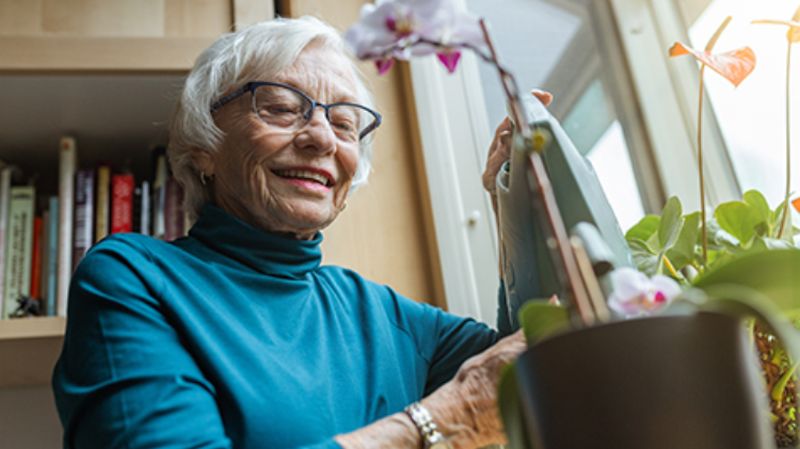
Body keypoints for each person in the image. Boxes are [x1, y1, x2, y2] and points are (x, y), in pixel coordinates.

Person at [52, 16, 550, 449]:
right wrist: (437, 423)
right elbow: (469, 406)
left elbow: (537, 364)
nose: (321, 138)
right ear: (204, 143)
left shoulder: (387, 316)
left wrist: (512, 198)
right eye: (281, 107)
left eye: (346, 122)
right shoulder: (133, 277)